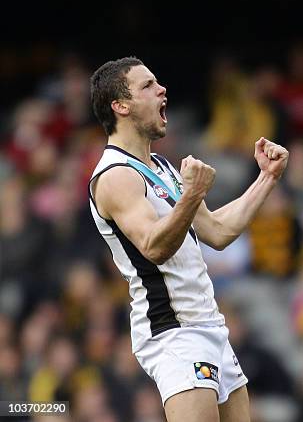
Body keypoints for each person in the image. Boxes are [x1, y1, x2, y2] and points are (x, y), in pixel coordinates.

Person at [88, 57, 289, 422]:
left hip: (210, 325)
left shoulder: (161, 167)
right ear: (121, 106)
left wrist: (266, 179)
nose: (162, 89)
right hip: (174, 332)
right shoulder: (116, 175)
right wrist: (192, 194)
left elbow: (217, 231)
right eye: (147, 85)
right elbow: (154, 247)